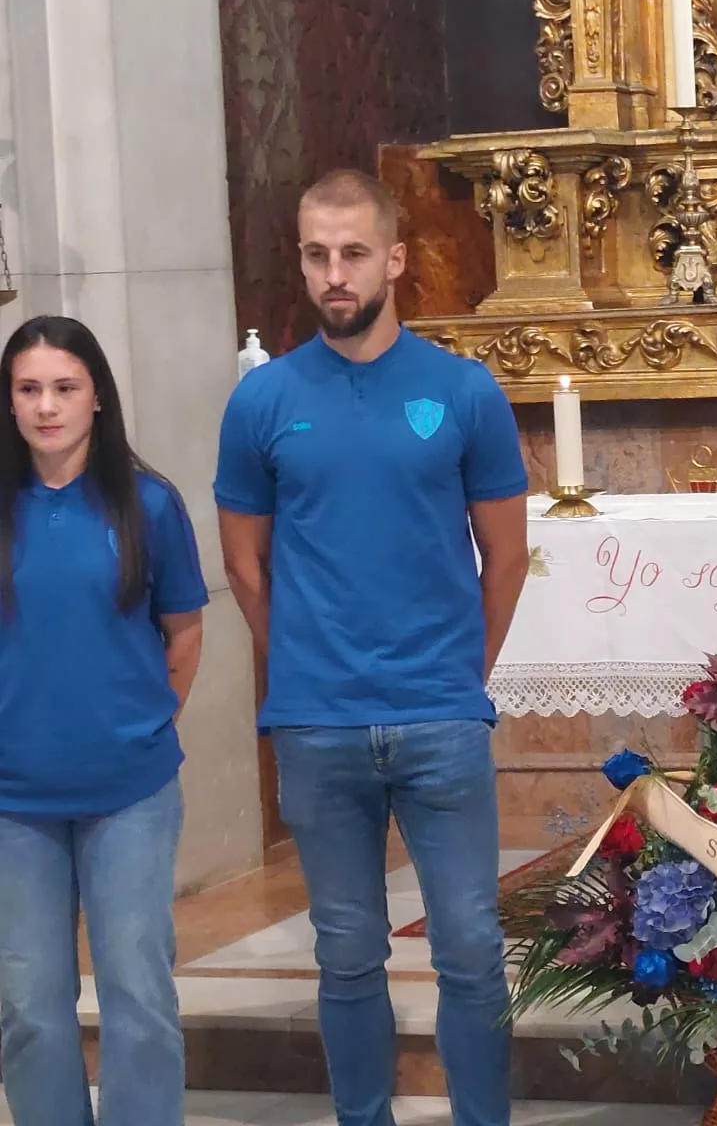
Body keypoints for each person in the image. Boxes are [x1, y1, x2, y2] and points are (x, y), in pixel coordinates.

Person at [214, 170, 530, 1126]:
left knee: (471, 944)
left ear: (394, 259)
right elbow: (242, 565)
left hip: (440, 717)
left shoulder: (462, 391)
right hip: (318, 725)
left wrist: (456, 676)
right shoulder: (262, 401)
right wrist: (305, 665)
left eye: (354, 253)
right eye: (317, 254)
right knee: (346, 948)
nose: (335, 274)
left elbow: (507, 554)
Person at [0, 316, 207, 1126]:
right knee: (28, 1008)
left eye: (64, 387)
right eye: (27, 389)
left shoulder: (148, 505)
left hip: (130, 792)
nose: (46, 406)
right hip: (14, 799)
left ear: (96, 400)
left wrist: (140, 724)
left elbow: (184, 633)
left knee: (137, 998)